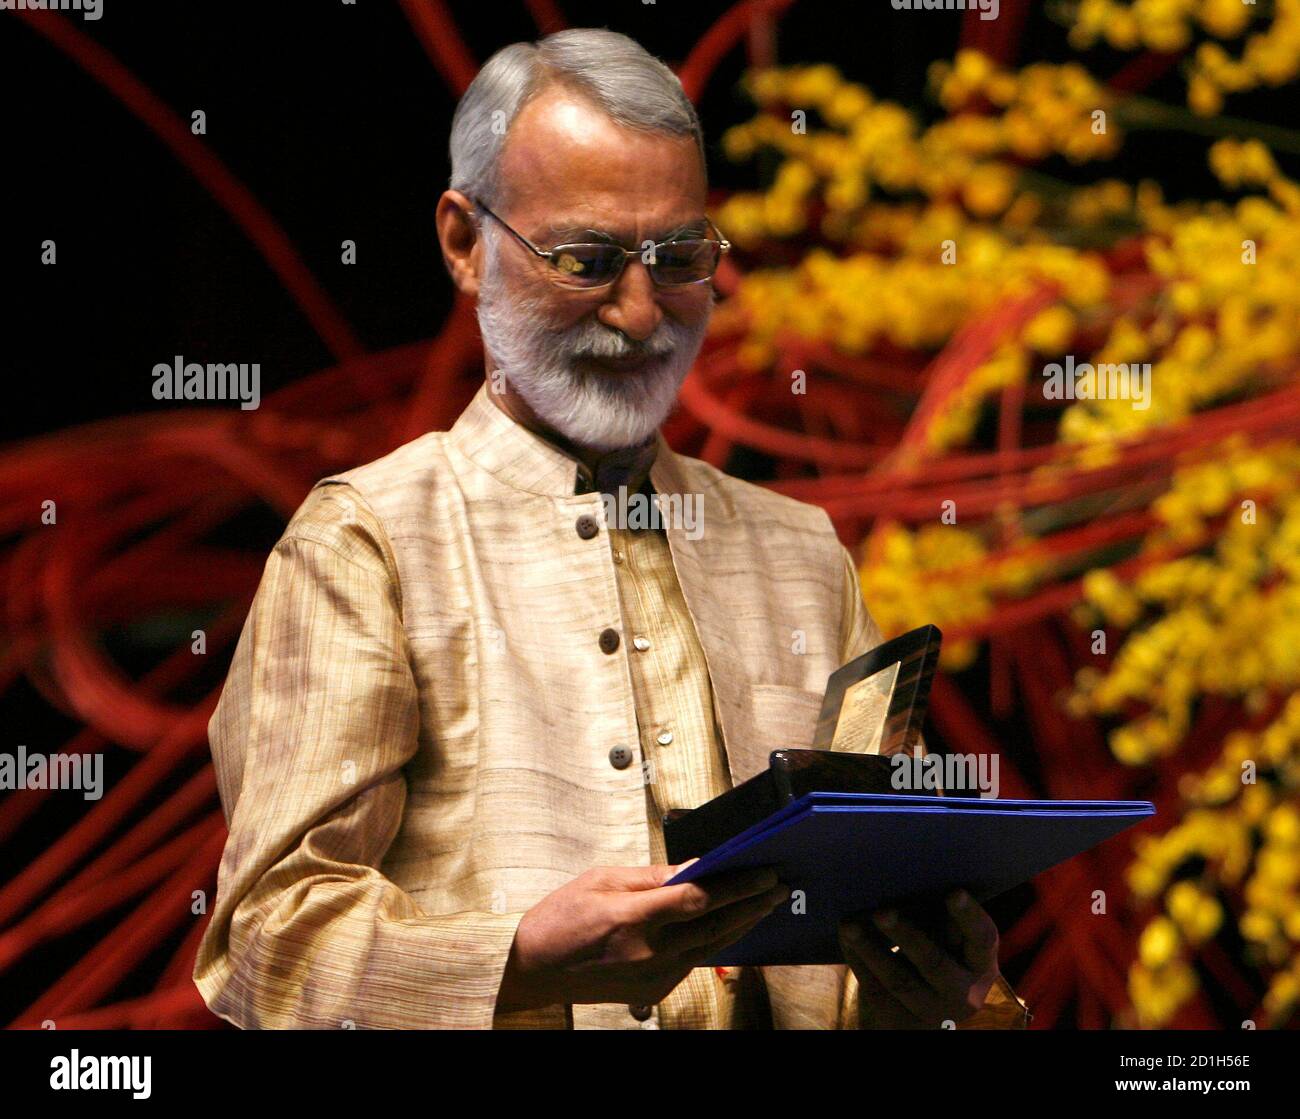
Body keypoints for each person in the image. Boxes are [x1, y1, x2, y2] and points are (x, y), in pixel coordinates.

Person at [194, 27, 1030, 1030]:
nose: (640, 315)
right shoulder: (368, 543)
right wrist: (520, 962)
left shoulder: (800, 552)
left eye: (679, 258)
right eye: (587, 260)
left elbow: (860, 948)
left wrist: (954, 1001)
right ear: (464, 243)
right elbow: (268, 945)